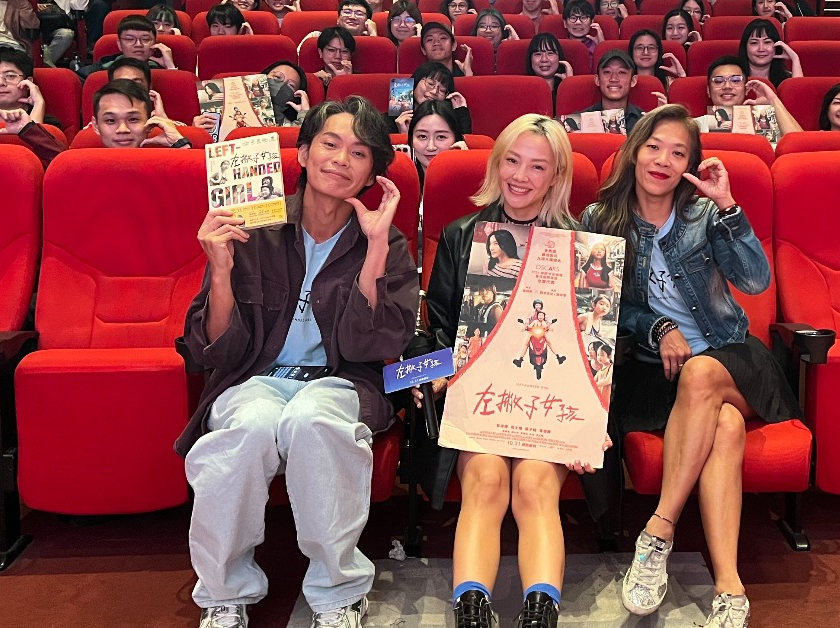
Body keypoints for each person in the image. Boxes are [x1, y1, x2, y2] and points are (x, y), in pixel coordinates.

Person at [180, 95, 417, 628]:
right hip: (256, 378)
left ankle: (337, 592)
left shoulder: (388, 241)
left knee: (314, 419)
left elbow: (371, 347)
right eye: (330, 144)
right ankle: (223, 592)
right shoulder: (251, 226)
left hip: (342, 381)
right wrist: (220, 270)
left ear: (373, 174)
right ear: (304, 154)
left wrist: (375, 250)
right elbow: (215, 350)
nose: (341, 159)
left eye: (359, 152)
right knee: (247, 428)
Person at [581, 103, 801, 628]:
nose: (663, 160)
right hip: (653, 371)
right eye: (654, 147)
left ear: (690, 166)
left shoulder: (705, 216)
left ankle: (658, 530)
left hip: (730, 357)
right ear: (634, 151)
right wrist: (658, 327)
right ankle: (729, 586)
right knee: (725, 426)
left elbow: (754, 281)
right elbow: (602, 308)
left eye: (678, 153)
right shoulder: (600, 220)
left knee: (702, 373)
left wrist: (728, 207)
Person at [409, 114, 617, 628]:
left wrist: (594, 417)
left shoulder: (584, 249)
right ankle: (471, 612)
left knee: (534, 485)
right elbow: (437, 329)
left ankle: (540, 614)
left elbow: (600, 343)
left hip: (549, 406)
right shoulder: (461, 236)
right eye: (512, 161)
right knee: (484, 481)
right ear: (496, 163)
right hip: (482, 403)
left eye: (537, 167)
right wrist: (429, 374)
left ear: (557, 176)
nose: (521, 176)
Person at [694, 55, 803, 147]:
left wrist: (773, 100)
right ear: (708, 90)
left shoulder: (765, 120)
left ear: (746, 88)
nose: (727, 86)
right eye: (718, 81)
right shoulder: (695, 125)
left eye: (735, 80)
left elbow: (799, 145)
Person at [573, 49, 667, 134]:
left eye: (621, 72)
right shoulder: (579, 121)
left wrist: (661, 123)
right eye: (607, 72)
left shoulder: (645, 121)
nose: (614, 79)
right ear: (597, 80)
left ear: (633, 81)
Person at [90, 79, 192, 149]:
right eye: (111, 120)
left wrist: (179, 144)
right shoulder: (84, 165)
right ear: (96, 126)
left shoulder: (167, 162)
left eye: (133, 119)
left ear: (150, 122)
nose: (123, 129)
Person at [0, 47, 61, 127]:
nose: (1, 83)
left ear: (28, 82)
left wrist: (39, 103)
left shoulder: (49, 124)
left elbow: (36, 137)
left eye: (10, 76)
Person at [79, 15, 177, 79]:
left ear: (155, 44)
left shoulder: (161, 71)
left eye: (146, 39)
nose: (138, 44)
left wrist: (170, 68)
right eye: (130, 39)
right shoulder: (99, 70)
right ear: (119, 44)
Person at [388, 61, 472, 135]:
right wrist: (402, 136)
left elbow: (464, 145)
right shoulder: (389, 120)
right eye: (430, 84)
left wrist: (461, 110)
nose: (434, 91)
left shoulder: (448, 123)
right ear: (415, 82)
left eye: (442, 90)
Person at [406, 99, 466, 185]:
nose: (431, 147)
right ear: (411, 140)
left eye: (441, 137)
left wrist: (464, 169)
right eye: (422, 136)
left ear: (456, 139)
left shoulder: (472, 180)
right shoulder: (398, 181)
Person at [738, 19, 801, 87]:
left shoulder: (786, 78)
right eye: (754, 43)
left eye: (767, 42)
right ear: (745, 47)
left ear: (777, 46)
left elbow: (798, 91)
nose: (761, 49)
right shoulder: (734, 77)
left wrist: (795, 58)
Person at [527, 33, 572, 110]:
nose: (544, 59)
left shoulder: (568, 87)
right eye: (538, 54)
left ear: (559, 57)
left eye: (550, 53)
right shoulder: (522, 90)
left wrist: (569, 85)